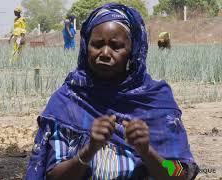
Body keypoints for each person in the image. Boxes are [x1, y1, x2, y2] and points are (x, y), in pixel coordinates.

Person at [26, 3, 199, 180]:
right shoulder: (68, 101)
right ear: (86, 47)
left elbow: (181, 173)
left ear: (132, 51)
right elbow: (53, 176)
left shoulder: (155, 102)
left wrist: (147, 153)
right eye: (97, 44)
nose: (105, 53)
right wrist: (88, 151)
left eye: (116, 46)